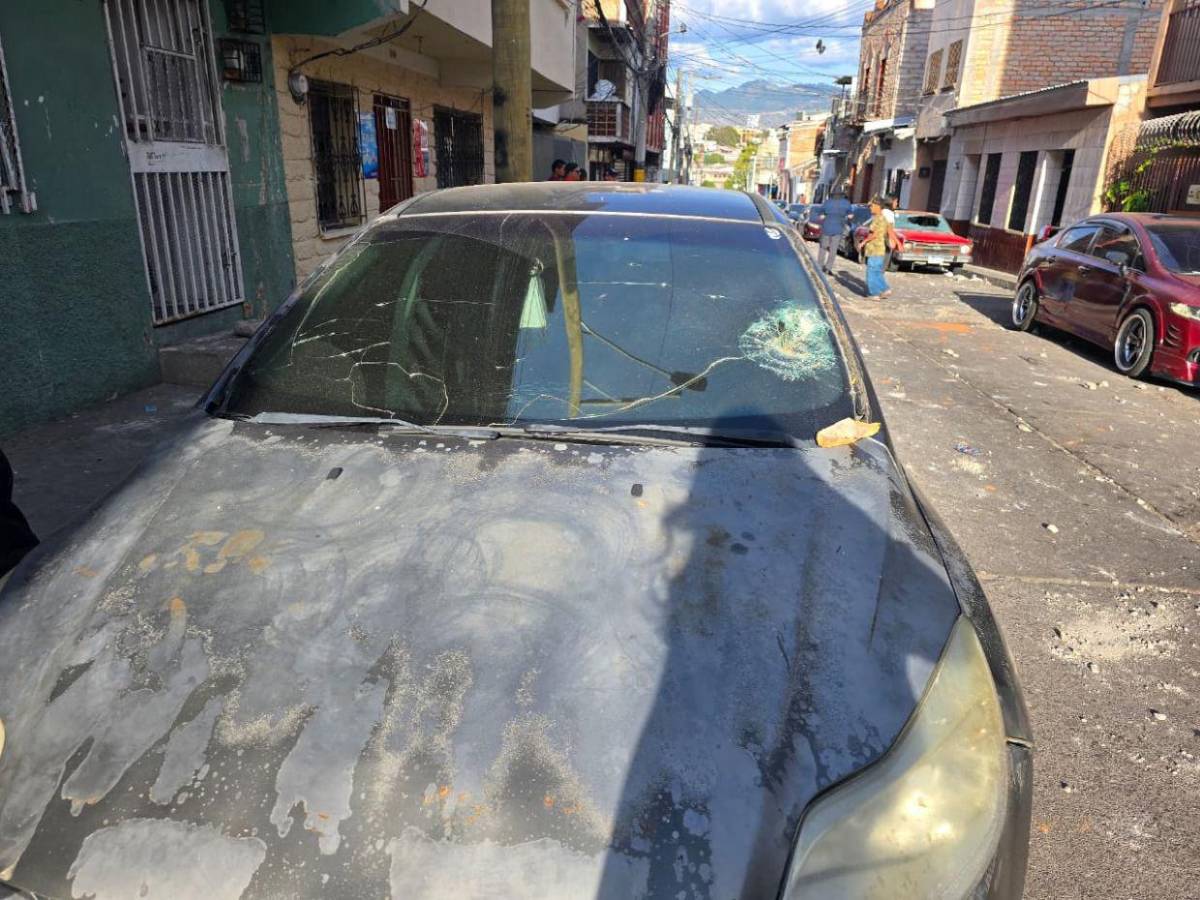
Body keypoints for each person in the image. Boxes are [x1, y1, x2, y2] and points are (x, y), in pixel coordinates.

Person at [855, 197, 898, 301]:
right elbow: (889, 230)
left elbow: (874, 234)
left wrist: (864, 242)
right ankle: (884, 289)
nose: (870, 208)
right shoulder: (884, 218)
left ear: (878, 206)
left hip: (874, 248)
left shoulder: (878, 218)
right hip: (880, 249)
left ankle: (873, 293)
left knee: (871, 271)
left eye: (872, 206)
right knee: (877, 271)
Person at [813, 189, 852, 275]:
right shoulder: (846, 203)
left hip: (827, 228)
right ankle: (828, 268)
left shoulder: (827, 203)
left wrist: (823, 216)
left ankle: (819, 266)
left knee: (823, 247)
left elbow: (821, 216)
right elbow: (850, 216)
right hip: (838, 228)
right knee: (833, 250)